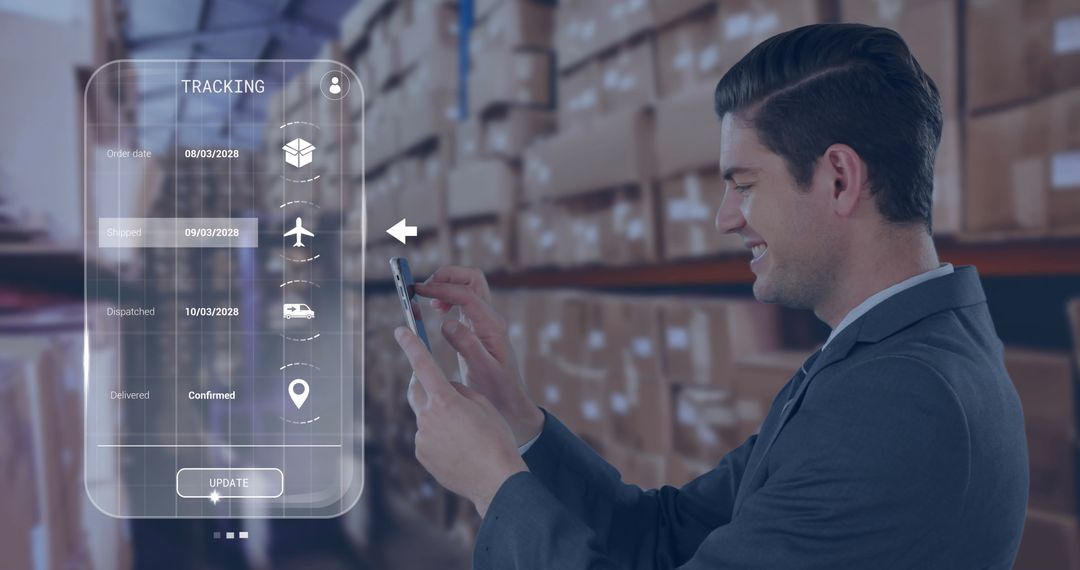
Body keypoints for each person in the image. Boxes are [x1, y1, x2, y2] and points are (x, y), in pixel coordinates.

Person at [393, 23, 1029, 568]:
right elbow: (665, 534)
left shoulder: (899, 402)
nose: (725, 218)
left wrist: (492, 485)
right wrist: (516, 417)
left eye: (745, 184)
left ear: (839, 179)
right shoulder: (879, 357)